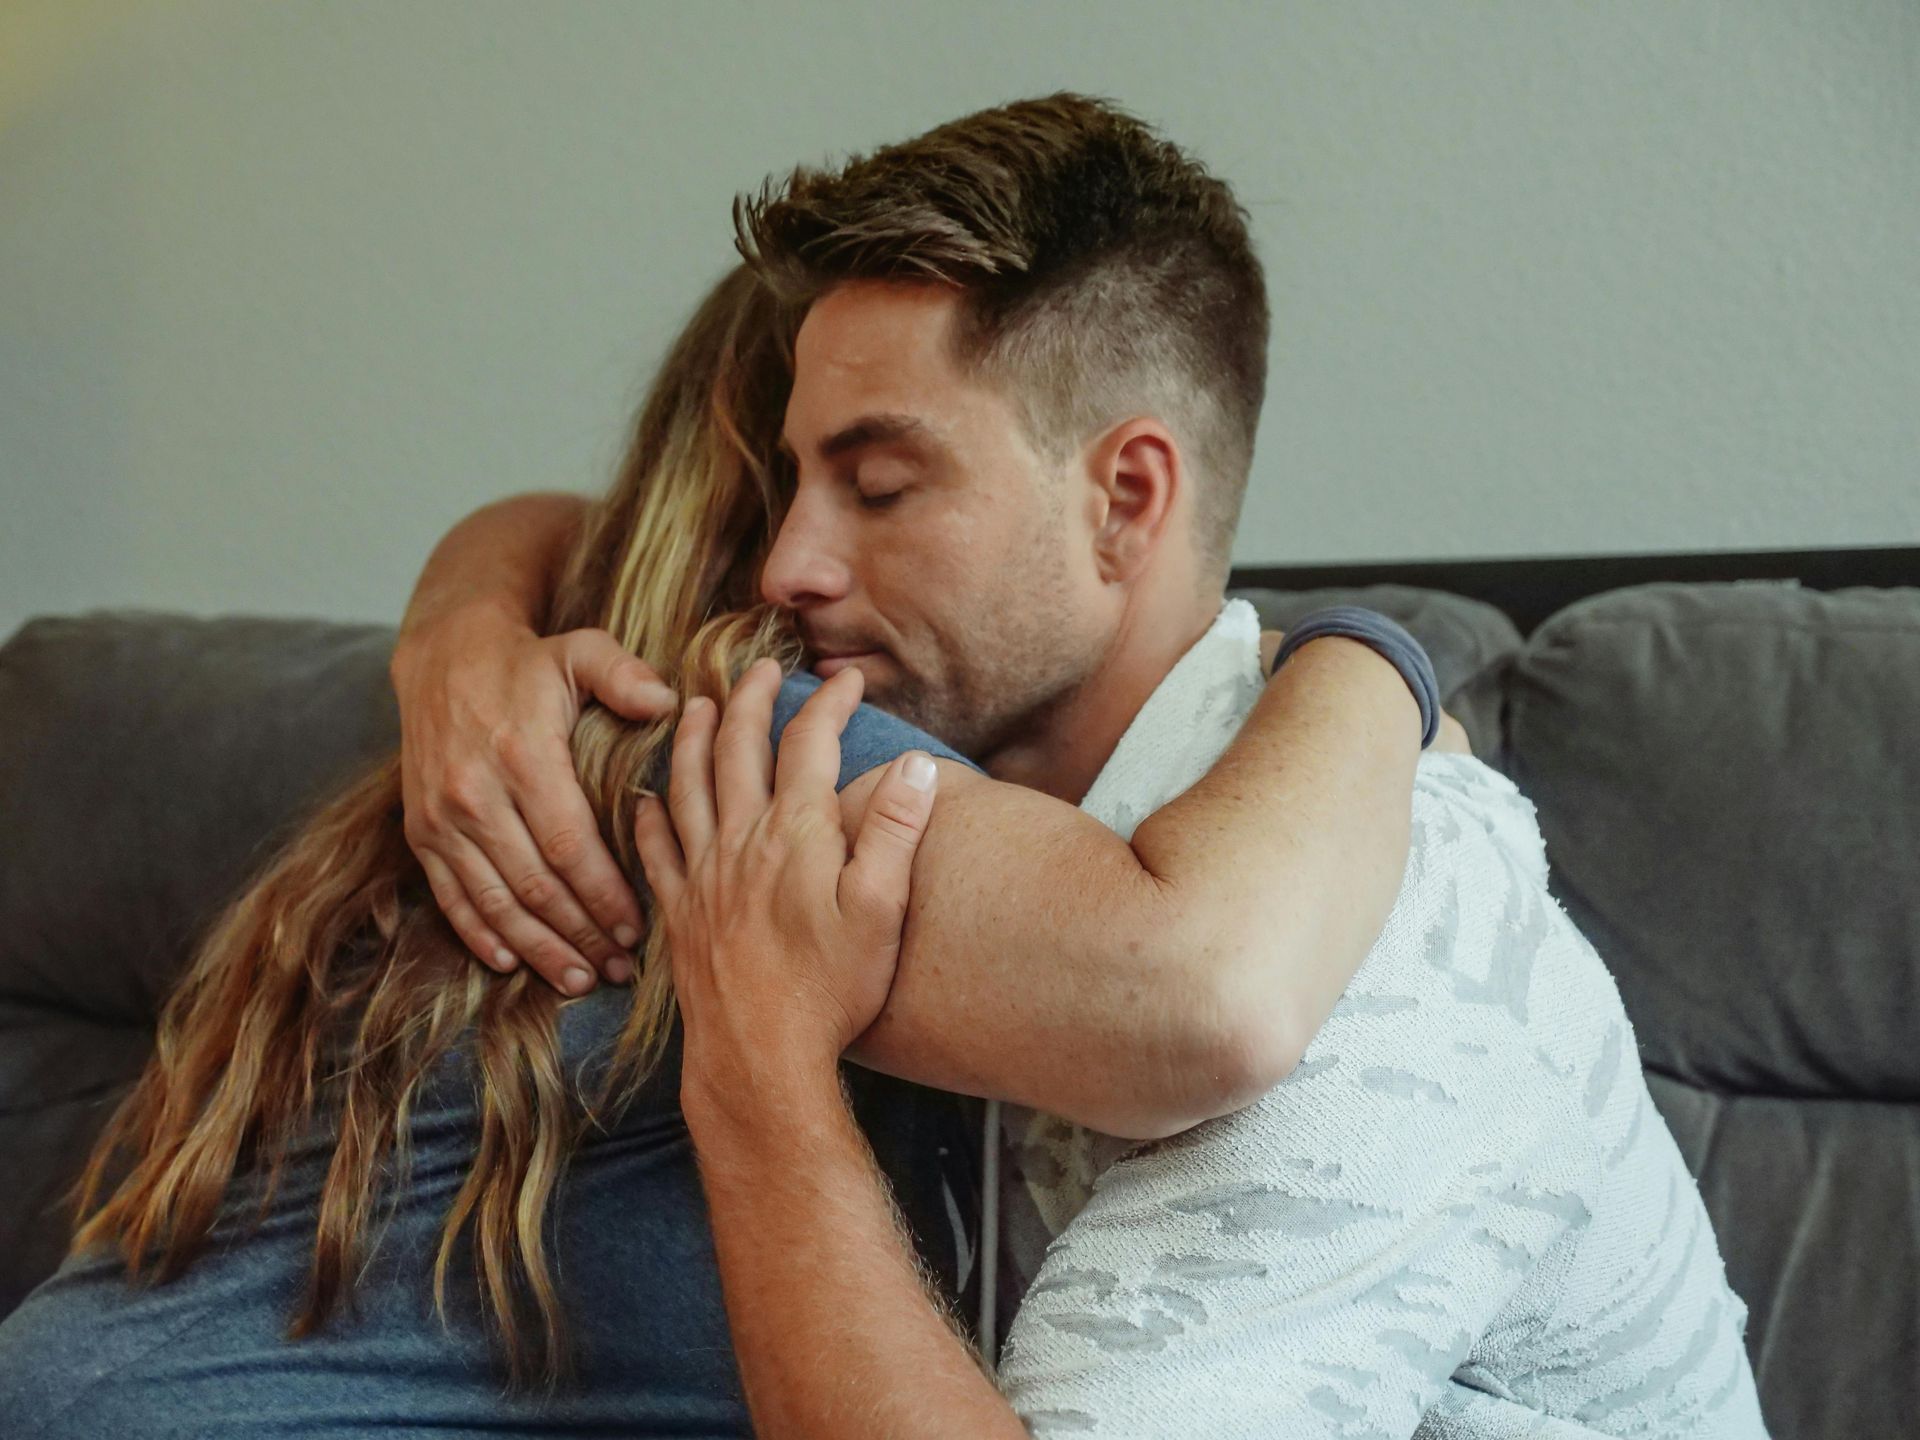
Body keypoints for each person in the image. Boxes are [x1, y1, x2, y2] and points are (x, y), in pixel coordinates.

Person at [418, 95, 1768, 1436]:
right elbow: (575, 523)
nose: (789, 566)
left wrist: (757, 1071)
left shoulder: (1375, 943)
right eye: (790, 492)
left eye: (879, 487)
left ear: (1126, 502)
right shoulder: (1009, 862)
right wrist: (464, 630)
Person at [0, 229, 1442, 1437]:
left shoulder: (567, 717)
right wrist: (1375, 665)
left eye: (881, 486)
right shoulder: (758, 746)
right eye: (828, 484)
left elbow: (546, 519)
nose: (809, 557)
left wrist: (465, 612)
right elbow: (1194, 996)